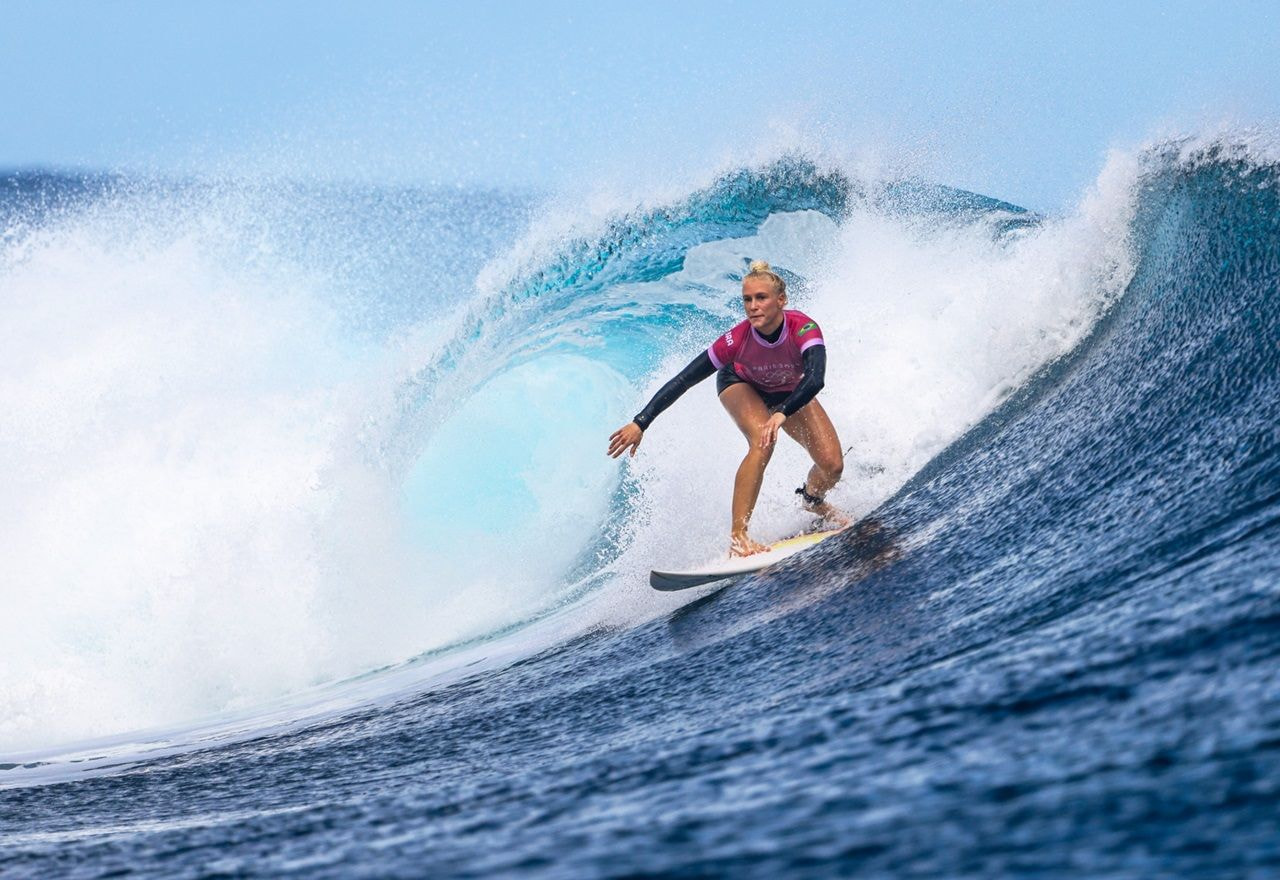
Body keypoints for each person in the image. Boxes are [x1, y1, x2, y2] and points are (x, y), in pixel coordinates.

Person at [608, 260, 847, 556]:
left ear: (781, 300)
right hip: (741, 383)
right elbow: (684, 379)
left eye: (761, 298)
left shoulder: (803, 328)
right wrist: (641, 422)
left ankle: (812, 500)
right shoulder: (736, 341)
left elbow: (815, 378)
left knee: (832, 465)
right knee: (763, 440)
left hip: (789, 392)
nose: (753, 306)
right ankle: (739, 537)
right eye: (747, 299)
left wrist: (782, 411)